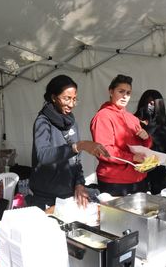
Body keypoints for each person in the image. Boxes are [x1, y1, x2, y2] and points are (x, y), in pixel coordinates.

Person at [28, 75, 110, 210]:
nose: (71, 104)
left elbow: (76, 160)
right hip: (46, 197)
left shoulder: (71, 122)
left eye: (74, 99)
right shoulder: (43, 122)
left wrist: (79, 184)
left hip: (69, 195)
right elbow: (43, 155)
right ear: (54, 97)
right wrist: (79, 146)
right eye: (67, 98)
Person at [90, 74, 152, 196]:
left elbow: (144, 148)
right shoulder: (103, 116)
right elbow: (104, 150)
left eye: (128, 93)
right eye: (121, 91)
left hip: (139, 178)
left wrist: (146, 138)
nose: (125, 96)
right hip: (115, 181)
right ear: (111, 91)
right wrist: (132, 158)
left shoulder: (132, 118)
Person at [134, 89, 166, 194]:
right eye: (148, 103)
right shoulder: (134, 121)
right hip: (138, 175)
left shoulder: (164, 124)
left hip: (159, 175)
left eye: (154, 104)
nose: (150, 106)